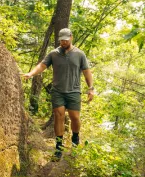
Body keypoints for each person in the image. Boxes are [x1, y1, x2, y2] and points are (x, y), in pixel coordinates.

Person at [22, 27, 94, 160]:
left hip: (74, 91)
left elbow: (86, 72)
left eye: (66, 40)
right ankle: (59, 148)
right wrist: (31, 73)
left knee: (75, 117)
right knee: (58, 115)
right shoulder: (53, 54)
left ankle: (75, 138)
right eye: (61, 40)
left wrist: (91, 88)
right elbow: (42, 66)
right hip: (58, 91)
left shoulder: (79, 54)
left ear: (71, 37)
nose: (63, 42)